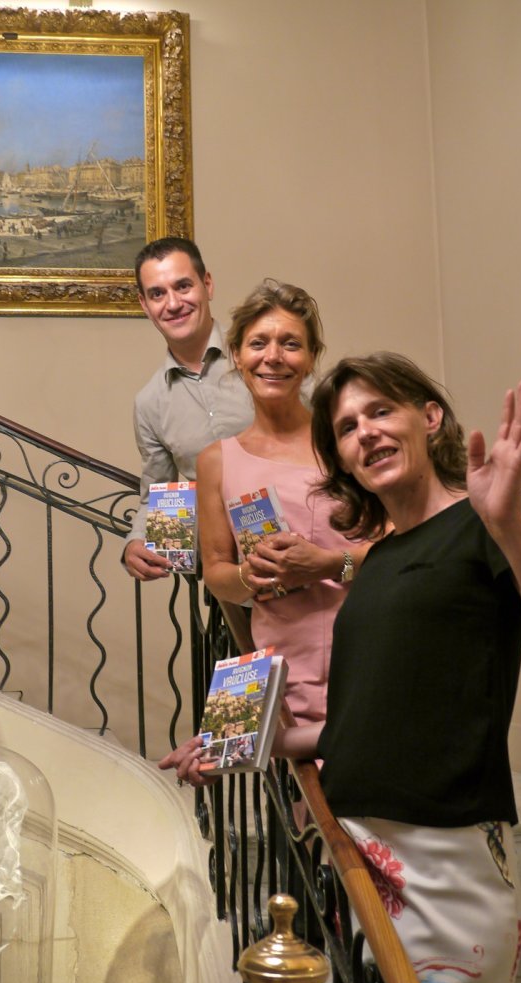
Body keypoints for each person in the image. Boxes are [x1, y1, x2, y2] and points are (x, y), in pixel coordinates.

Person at [300, 353, 521, 983]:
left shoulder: (495, 519)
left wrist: (510, 529)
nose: (367, 433)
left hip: (449, 861)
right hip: (354, 855)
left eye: (381, 411)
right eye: (348, 427)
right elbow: (371, 709)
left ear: (430, 416)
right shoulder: (378, 557)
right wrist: (247, 742)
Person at [159, 280, 370, 777]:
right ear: (236, 353)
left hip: (365, 650)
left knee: (367, 811)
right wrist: (251, 576)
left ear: (312, 356)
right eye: (258, 343)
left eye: (290, 344)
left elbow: (403, 550)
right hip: (285, 667)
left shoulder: (347, 442)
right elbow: (215, 572)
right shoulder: (216, 461)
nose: (273, 357)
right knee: (310, 825)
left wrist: (327, 563)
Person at [123, 237, 254, 581]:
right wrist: (137, 541)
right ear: (144, 304)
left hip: (310, 555)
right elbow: (161, 496)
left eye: (183, 286)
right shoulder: (149, 403)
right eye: (157, 293)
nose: (173, 303)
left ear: (207, 285)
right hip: (231, 581)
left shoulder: (263, 357)